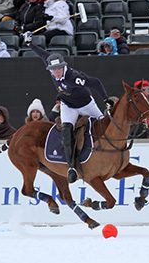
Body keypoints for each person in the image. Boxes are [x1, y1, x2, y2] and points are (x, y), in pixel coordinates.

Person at [24, 32, 112, 183]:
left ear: (63, 66)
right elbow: (42, 54)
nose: (56, 72)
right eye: (53, 69)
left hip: (86, 105)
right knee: (66, 130)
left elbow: (96, 82)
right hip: (68, 106)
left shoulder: (74, 77)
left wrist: (106, 99)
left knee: (104, 124)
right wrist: (29, 44)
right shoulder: (51, 65)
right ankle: (72, 167)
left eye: (58, 69)